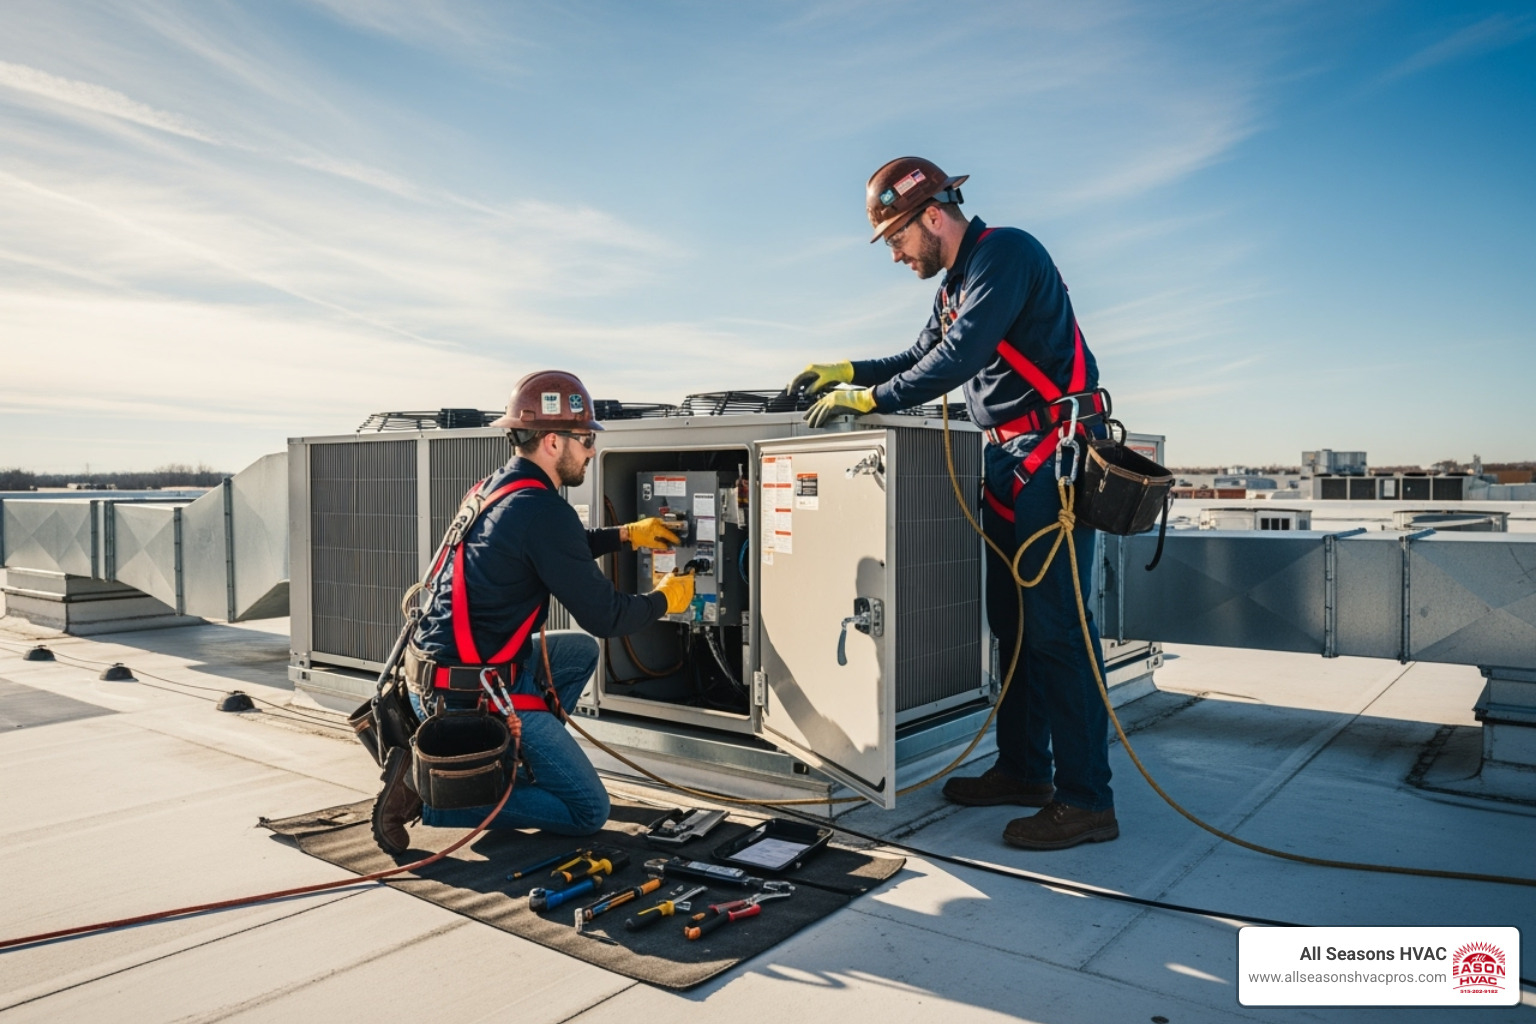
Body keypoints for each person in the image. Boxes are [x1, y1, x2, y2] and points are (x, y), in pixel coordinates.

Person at [788, 157, 1117, 850]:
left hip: (1050, 462)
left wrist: (870, 400)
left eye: (898, 241)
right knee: (1013, 625)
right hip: (1009, 464)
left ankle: (1088, 800)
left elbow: (959, 358)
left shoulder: (1007, 255)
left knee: (1058, 630)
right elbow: (920, 354)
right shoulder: (958, 284)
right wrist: (847, 372)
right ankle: (1028, 770)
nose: (899, 257)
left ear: (930, 215)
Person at [370, 369, 695, 855]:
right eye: (585, 439)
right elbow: (606, 617)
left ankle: (515, 759)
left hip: (435, 678)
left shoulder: (498, 488)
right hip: (464, 699)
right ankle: (435, 795)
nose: (591, 450)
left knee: (577, 653)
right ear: (551, 442)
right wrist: (667, 599)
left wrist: (626, 535)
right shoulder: (542, 510)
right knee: (589, 812)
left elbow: (555, 549)